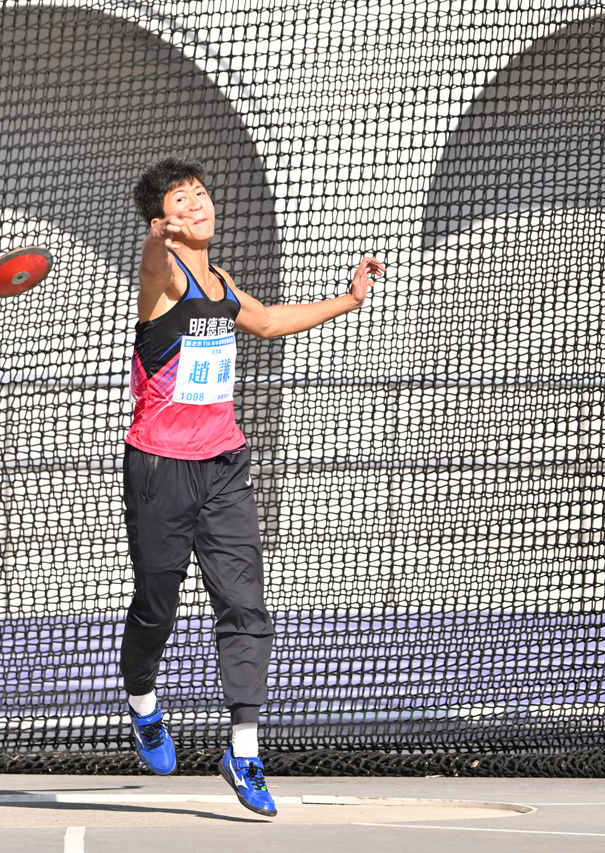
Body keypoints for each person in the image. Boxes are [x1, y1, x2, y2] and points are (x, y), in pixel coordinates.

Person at [121, 157, 384, 817]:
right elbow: (152, 262)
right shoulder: (163, 276)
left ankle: (243, 750)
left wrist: (349, 299)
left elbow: (266, 323)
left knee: (245, 607)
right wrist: (157, 237)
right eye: (181, 201)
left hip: (224, 465)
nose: (198, 205)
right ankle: (143, 702)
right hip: (160, 469)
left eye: (200, 194)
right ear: (161, 220)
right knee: (156, 606)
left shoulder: (222, 281)